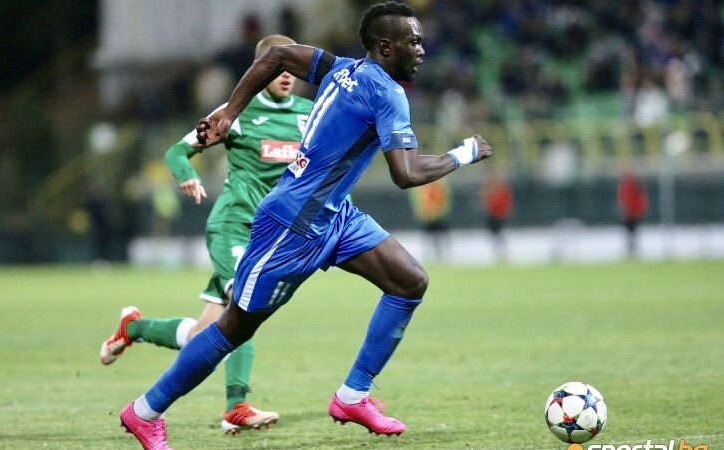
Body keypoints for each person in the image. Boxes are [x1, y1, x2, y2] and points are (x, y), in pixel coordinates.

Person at [118, 3, 492, 448]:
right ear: (386, 46)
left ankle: (352, 396)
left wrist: (230, 111)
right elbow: (406, 173)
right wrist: (464, 153)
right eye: (413, 41)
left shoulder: (339, 68)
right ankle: (145, 412)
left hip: (336, 215)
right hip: (292, 224)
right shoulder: (388, 94)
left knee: (410, 281)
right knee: (234, 326)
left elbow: (277, 55)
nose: (422, 50)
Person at [101, 34, 313, 435]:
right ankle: (237, 406)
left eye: (294, 68)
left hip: (270, 238)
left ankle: (134, 328)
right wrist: (187, 175)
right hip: (233, 225)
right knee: (247, 304)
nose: (287, 75)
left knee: (204, 334)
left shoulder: (310, 114)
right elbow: (177, 151)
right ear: (260, 71)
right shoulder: (235, 113)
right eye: (278, 68)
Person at [409, 179, 452, 262]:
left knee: (441, 236)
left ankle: (443, 255)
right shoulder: (424, 187)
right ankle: (431, 255)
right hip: (428, 215)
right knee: (429, 236)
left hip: (437, 215)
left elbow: (445, 199)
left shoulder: (439, 186)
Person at [479, 169, 513, 260]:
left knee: (498, 234)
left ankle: (503, 253)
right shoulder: (491, 186)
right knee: (495, 234)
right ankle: (500, 253)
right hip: (492, 214)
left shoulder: (502, 187)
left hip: (499, 214)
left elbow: (505, 201)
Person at [617, 169, 648, 258]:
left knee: (632, 231)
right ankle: (631, 248)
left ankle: (632, 249)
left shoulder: (635, 185)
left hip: (634, 212)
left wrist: (639, 210)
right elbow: (622, 198)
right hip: (629, 212)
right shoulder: (625, 185)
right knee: (630, 232)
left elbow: (640, 199)